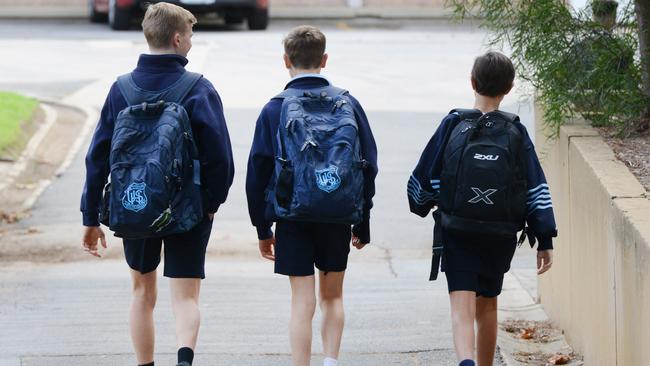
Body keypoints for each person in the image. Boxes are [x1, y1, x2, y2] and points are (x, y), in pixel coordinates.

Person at [80, 3, 234, 366]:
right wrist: (211, 202)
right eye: (191, 37)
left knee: (141, 292)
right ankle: (183, 361)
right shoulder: (198, 88)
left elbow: (98, 156)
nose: (192, 44)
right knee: (186, 296)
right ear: (178, 38)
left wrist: (90, 216)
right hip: (188, 207)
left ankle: (145, 363)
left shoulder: (121, 90)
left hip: (134, 204)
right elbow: (220, 158)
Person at [407, 51, 557, 366]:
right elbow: (534, 185)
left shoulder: (453, 123)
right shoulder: (515, 129)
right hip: (500, 233)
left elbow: (425, 178)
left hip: (457, 229)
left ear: (472, 82)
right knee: (488, 304)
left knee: (461, 305)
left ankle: (466, 361)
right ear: (510, 87)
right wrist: (544, 239)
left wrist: (423, 203)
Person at [245, 25, 378, 366]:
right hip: (336, 216)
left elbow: (256, 174)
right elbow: (368, 166)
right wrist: (361, 222)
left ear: (285, 60)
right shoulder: (349, 103)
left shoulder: (274, 109)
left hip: (293, 216)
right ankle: (330, 361)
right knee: (332, 297)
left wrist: (263, 228)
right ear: (324, 59)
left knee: (301, 303)